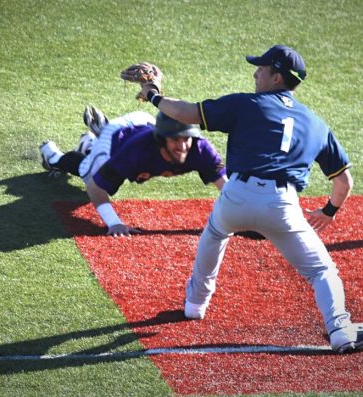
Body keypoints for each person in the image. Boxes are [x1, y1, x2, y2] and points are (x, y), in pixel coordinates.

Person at [138, 45, 362, 353]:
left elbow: (186, 113)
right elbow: (344, 180)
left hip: (237, 196)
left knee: (216, 233)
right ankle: (340, 332)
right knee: (321, 271)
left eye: (261, 68)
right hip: (282, 206)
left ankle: (195, 305)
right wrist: (329, 210)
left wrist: (153, 95)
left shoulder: (246, 104)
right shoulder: (317, 124)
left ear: (276, 77)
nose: (255, 72)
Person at [40, 107, 227, 237]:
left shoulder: (201, 149)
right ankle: (54, 157)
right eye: (175, 140)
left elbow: (227, 188)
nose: (183, 145)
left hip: (145, 124)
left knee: (98, 166)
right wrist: (114, 223)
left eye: (187, 138)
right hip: (116, 135)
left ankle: (89, 145)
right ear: (162, 140)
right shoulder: (135, 152)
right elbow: (94, 188)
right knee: (88, 175)